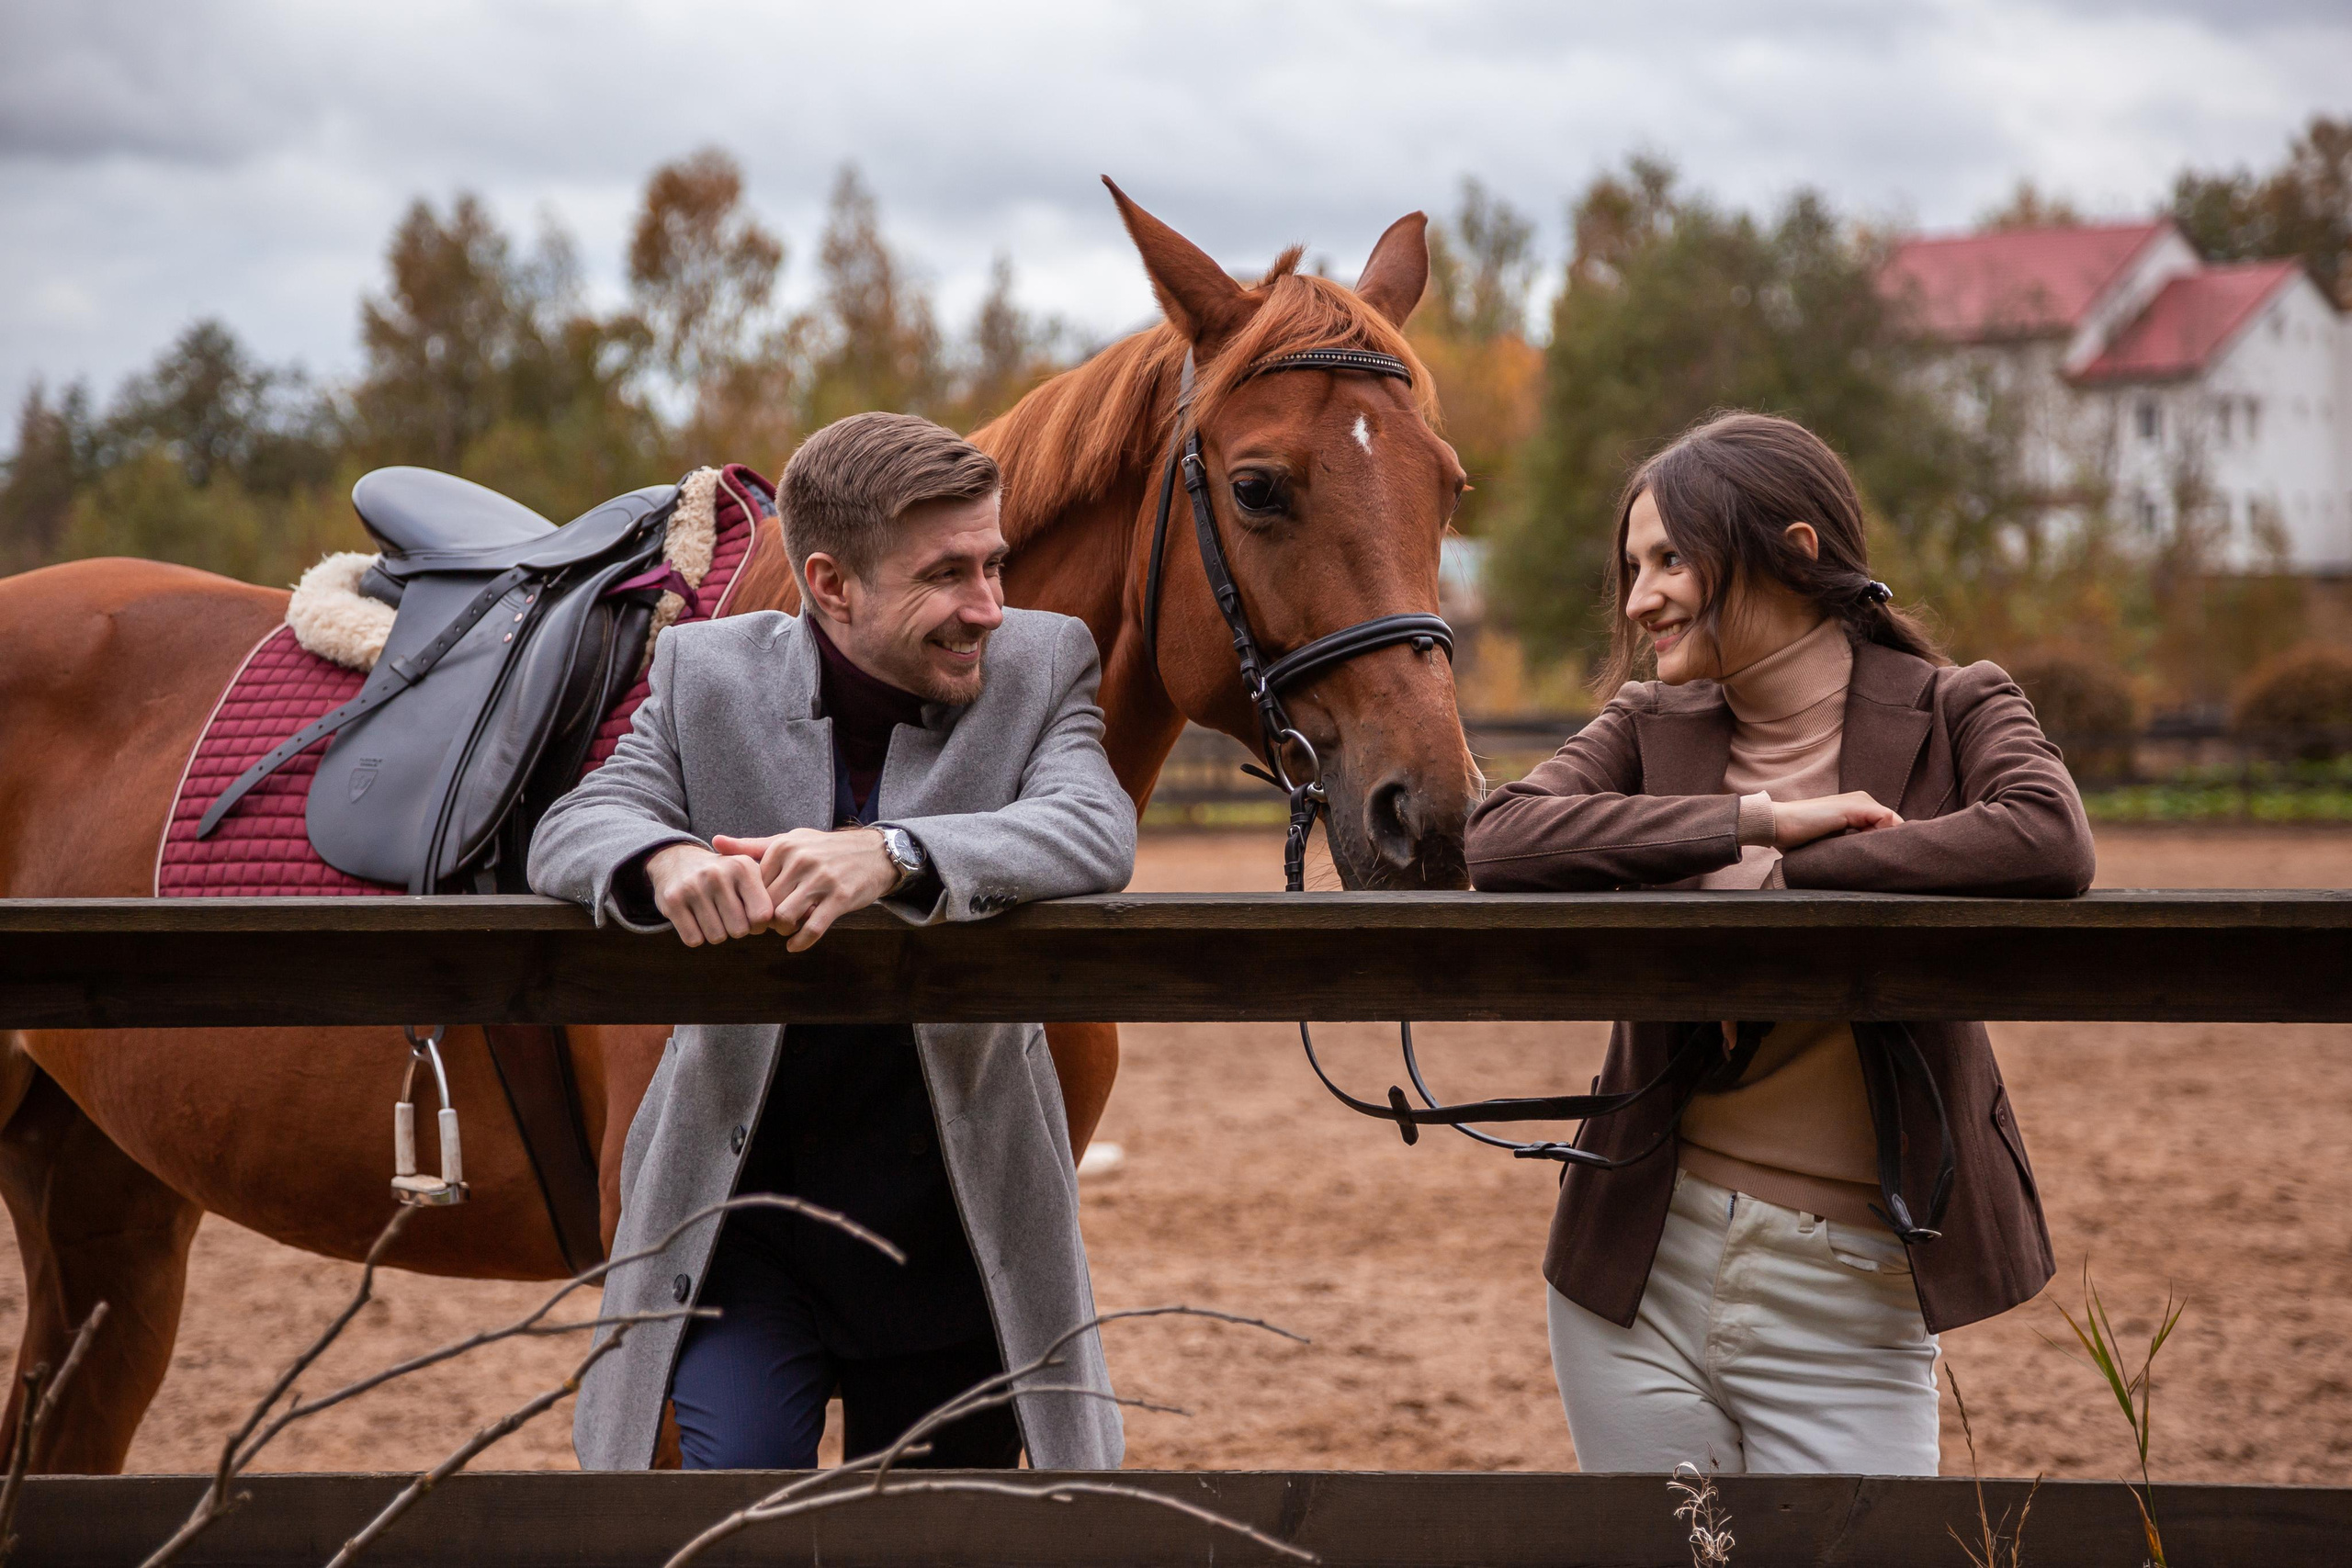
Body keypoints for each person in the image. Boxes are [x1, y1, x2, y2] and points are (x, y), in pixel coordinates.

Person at [1464, 412, 2092, 1477]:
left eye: (1670, 560)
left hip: (1851, 1287)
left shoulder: (1957, 707)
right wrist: (1750, 823)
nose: (1637, 599)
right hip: (1636, 1264)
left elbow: (2047, 835)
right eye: (1631, 565)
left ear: (1795, 553)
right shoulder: (1642, 724)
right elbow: (1497, 836)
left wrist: (1802, 877)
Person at [531, 412, 1136, 1472]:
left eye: (994, 564)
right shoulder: (702, 673)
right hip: (743, 1237)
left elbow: (1093, 826)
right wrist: (664, 861)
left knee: (948, 1545)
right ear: (832, 583)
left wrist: (892, 852)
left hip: (961, 1235)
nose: (989, 607)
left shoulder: (1046, 664)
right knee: (743, 1518)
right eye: (949, 574)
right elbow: (577, 824)